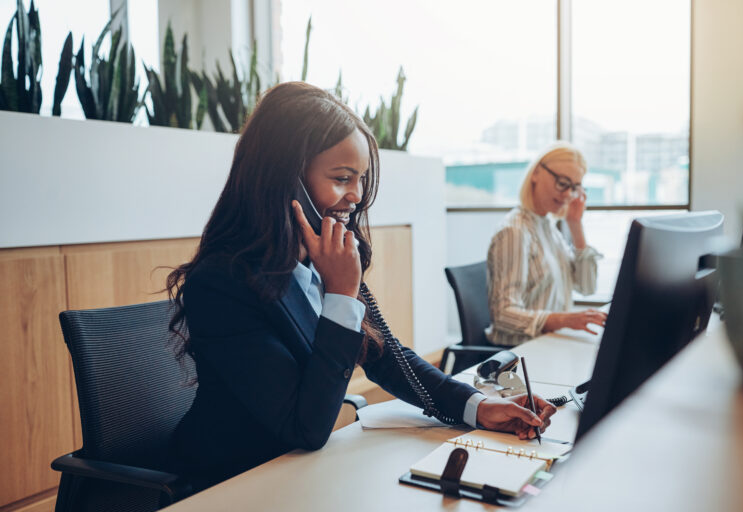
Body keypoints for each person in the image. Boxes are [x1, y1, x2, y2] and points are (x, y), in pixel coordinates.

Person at [166, 82, 556, 492]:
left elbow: (386, 356)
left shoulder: (314, 263)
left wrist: (478, 406)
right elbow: (305, 429)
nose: (355, 196)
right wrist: (340, 294)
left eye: (360, 179)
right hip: (234, 486)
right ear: (286, 179)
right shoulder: (222, 283)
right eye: (341, 178)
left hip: (301, 478)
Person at [486, 142, 608, 347]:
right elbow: (504, 315)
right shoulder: (515, 231)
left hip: (549, 343)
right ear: (536, 173)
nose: (568, 194)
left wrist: (576, 225)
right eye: (562, 183)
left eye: (575, 187)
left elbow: (587, 287)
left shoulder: (548, 227)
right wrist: (563, 320)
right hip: (521, 353)